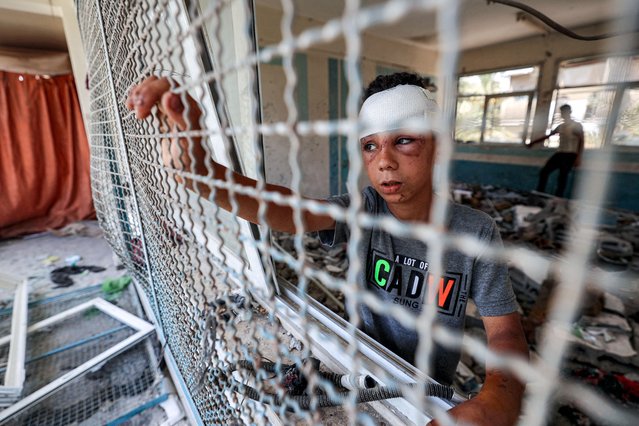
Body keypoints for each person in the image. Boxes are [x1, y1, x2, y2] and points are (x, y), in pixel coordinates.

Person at [126, 72, 528, 426]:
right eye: (370, 146)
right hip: (360, 371)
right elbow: (290, 209)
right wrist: (202, 173)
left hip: (425, 393)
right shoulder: (366, 210)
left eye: (404, 141)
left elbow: (505, 328)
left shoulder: (475, 231)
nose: (384, 161)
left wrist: (498, 396)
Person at [527, 104, 585, 197]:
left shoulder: (576, 126)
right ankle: (540, 193)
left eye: (565, 112)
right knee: (544, 172)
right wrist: (533, 142)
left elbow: (582, 140)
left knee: (562, 177)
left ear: (570, 112)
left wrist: (579, 158)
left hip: (570, 155)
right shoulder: (560, 126)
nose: (563, 114)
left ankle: (558, 198)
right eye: (562, 112)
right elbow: (548, 136)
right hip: (560, 153)